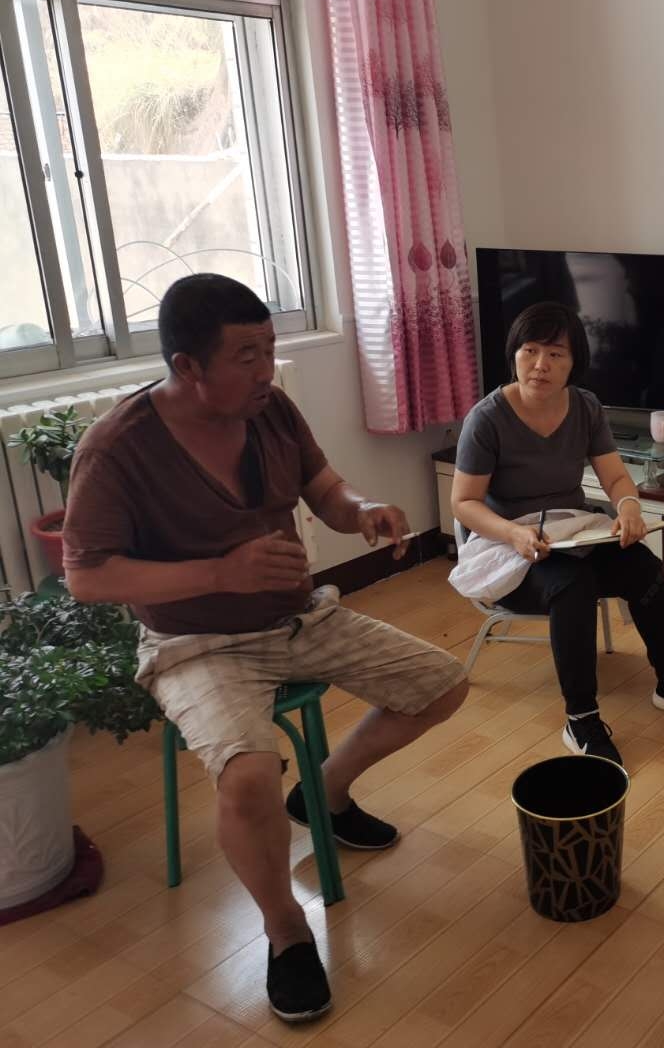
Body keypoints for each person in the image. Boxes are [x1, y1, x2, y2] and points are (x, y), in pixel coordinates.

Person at [63, 274, 469, 1024]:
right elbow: (87, 576)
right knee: (248, 778)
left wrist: (362, 509)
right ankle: (287, 933)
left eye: (270, 349)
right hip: (194, 643)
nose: (265, 370)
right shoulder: (117, 448)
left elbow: (325, 489)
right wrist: (219, 573)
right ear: (187, 366)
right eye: (246, 356)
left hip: (295, 618)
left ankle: (324, 790)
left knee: (442, 682)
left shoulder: (270, 408)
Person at [450, 301, 664, 766]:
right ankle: (581, 718)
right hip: (510, 546)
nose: (541, 364)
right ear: (514, 353)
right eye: (530, 350)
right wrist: (513, 535)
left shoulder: (585, 406)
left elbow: (615, 476)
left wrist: (630, 507)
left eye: (555, 354)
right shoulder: (487, 418)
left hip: (572, 533)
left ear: (574, 362)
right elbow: (464, 503)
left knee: (645, 568)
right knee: (572, 585)